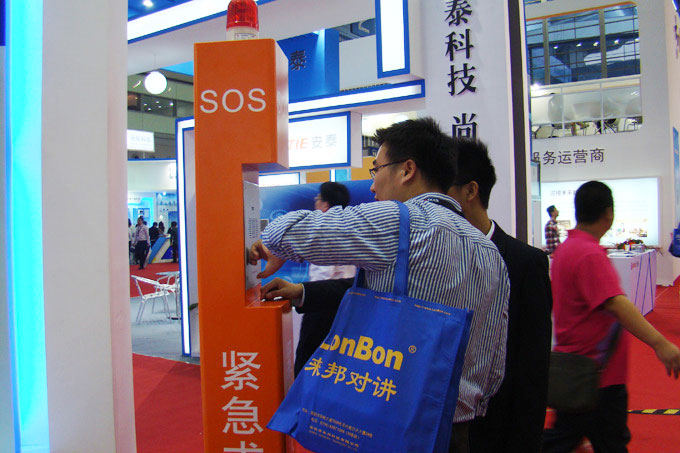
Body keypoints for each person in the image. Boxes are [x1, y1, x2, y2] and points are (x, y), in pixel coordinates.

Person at [251, 117, 510, 453]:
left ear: (407, 170)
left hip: (388, 419)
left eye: (377, 169)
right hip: (455, 429)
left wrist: (272, 245)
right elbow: (493, 359)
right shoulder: (490, 252)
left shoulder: (398, 221)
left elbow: (286, 231)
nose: (373, 186)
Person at [543, 181, 680, 452]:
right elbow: (616, 303)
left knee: (565, 438)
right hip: (597, 374)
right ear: (608, 213)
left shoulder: (568, 249)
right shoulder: (589, 254)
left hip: (577, 369)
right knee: (608, 443)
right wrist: (660, 343)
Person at [447, 138, 552, 452]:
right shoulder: (433, 256)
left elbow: (531, 372)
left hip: (492, 431)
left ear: (470, 191)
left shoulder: (525, 263)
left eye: (442, 189)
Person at [294, 182, 355, 377]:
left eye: (318, 199)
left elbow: (324, 275)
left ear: (326, 205)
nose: (315, 202)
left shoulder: (324, 230)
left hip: (323, 303)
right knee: (338, 359)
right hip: (346, 301)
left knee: (308, 356)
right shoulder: (350, 228)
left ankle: (304, 395)